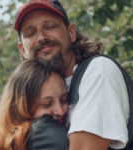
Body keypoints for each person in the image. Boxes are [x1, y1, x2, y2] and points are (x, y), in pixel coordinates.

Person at [14, 0, 129, 150]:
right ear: (23, 50)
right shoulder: (31, 92)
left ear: (71, 32)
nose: (41, 37)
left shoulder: (97, 72)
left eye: (49, 27)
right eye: (30, 33)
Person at [0, 60, 69, 150]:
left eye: (64, 100)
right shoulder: (41, 132)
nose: (61, 111)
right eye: (47, 104)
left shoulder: (6, 138)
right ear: (23, 106)